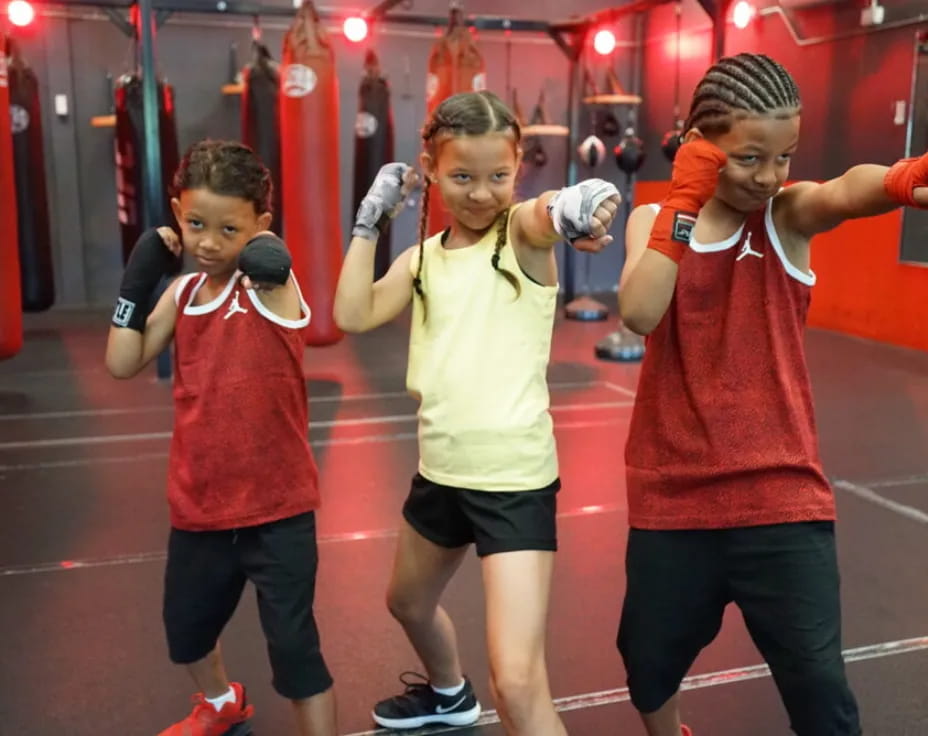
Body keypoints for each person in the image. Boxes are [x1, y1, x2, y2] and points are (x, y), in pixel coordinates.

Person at [617, 52, 928, 736]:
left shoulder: (785, 216)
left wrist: (905, 178)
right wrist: (685, 199)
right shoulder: (655, 221)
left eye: (783, 155)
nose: (769, 176)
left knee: (821, 690)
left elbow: (846, 190)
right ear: (701, 149)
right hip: (674, 496)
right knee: (647, 667)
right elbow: (639, 313)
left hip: (781, 494)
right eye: (749, 157)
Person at [334, 90, 620, 735]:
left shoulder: (518, 237)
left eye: (499, 176)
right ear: (431, 170)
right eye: (462, 176)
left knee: (518, 684)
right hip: (441, 471)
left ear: (519, 166)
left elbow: (547, 215)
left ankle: (474, 696)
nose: (482, 193)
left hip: (513, 483)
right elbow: (351, 315)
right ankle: (447, 694)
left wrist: (578, 203)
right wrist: (369, 221)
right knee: (406, 602)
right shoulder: (421, 259)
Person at [105, 139, 337, 736]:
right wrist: (136, 285)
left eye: (228, 228)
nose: (208, 241)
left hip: (277, 510)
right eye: (195, 222)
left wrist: (266, 252)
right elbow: (121, 363)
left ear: (260, 224)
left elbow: (275, 271)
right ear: (178, 212)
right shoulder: (182, 295)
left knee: (294, 653)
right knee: (186, 633)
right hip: (200, 506)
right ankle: (219, 703)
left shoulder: (270, 287)